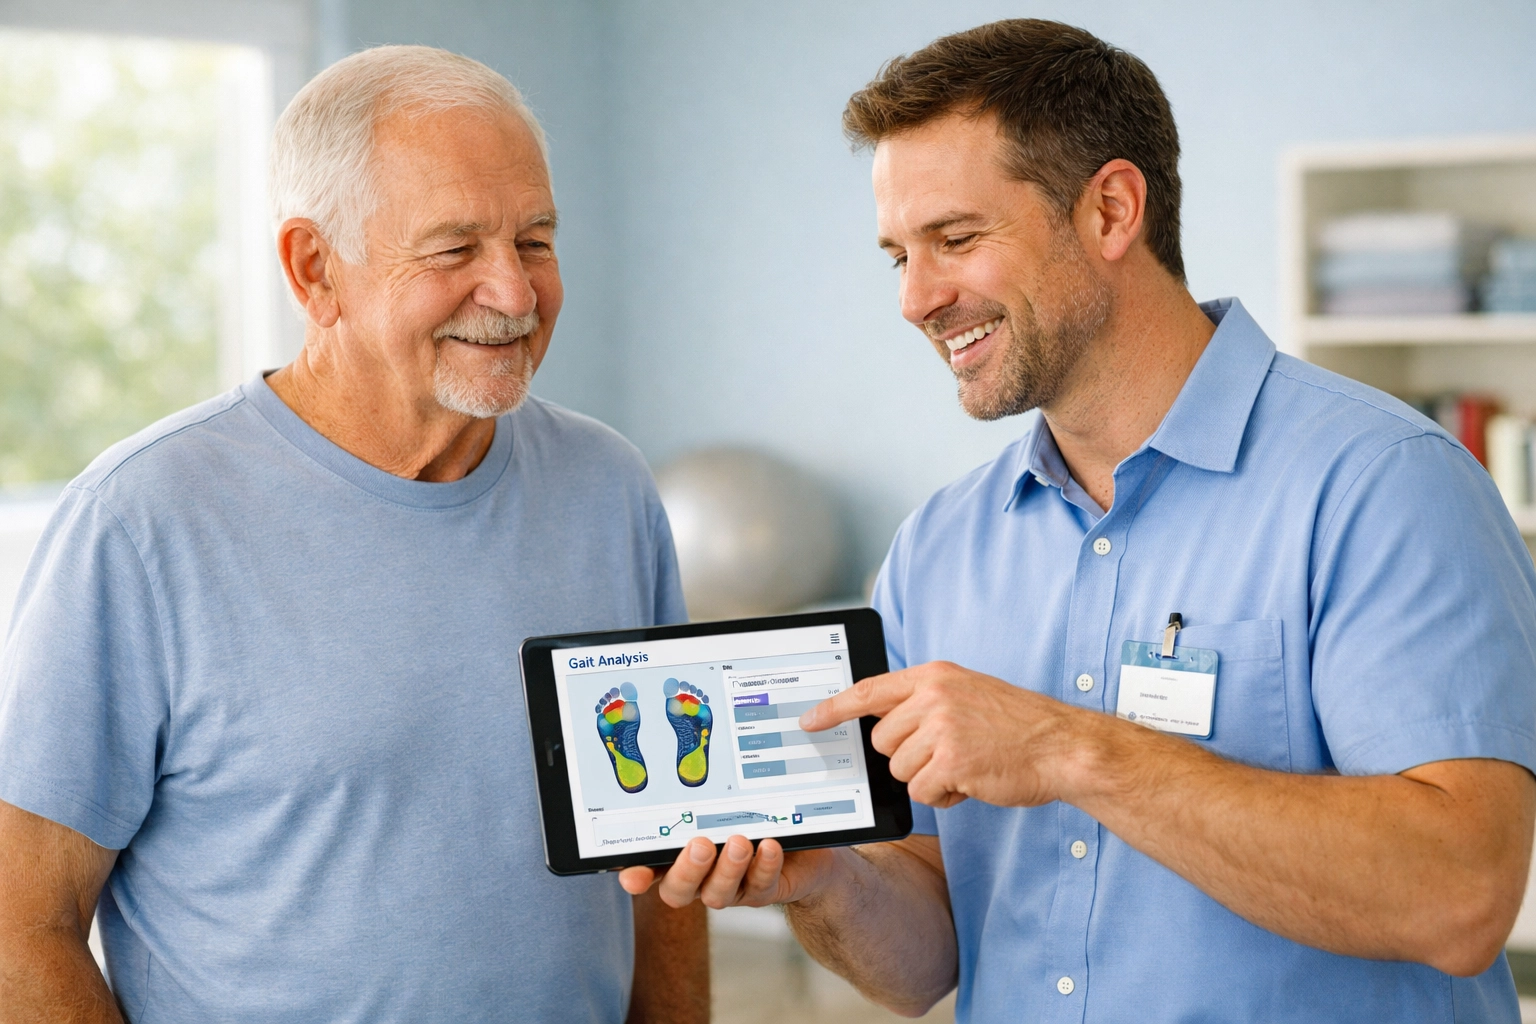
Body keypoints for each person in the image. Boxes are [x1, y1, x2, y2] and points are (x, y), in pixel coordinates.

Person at [621, 19, 1536, 1023]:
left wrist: (1070, 749)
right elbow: (925, 960)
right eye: (899, 256)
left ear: (1110, 209)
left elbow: (1460, 895)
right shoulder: (938, 550)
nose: (917, 298)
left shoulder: (1385, 483)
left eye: (957, 238)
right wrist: (823, 884)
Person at [0, 45, 706, 1023]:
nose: (513, 292)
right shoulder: (141, 524)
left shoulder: (609, 487)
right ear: (314, 268)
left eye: (535, 240)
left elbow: (670, 847)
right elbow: (19, 923)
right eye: (455, 249)